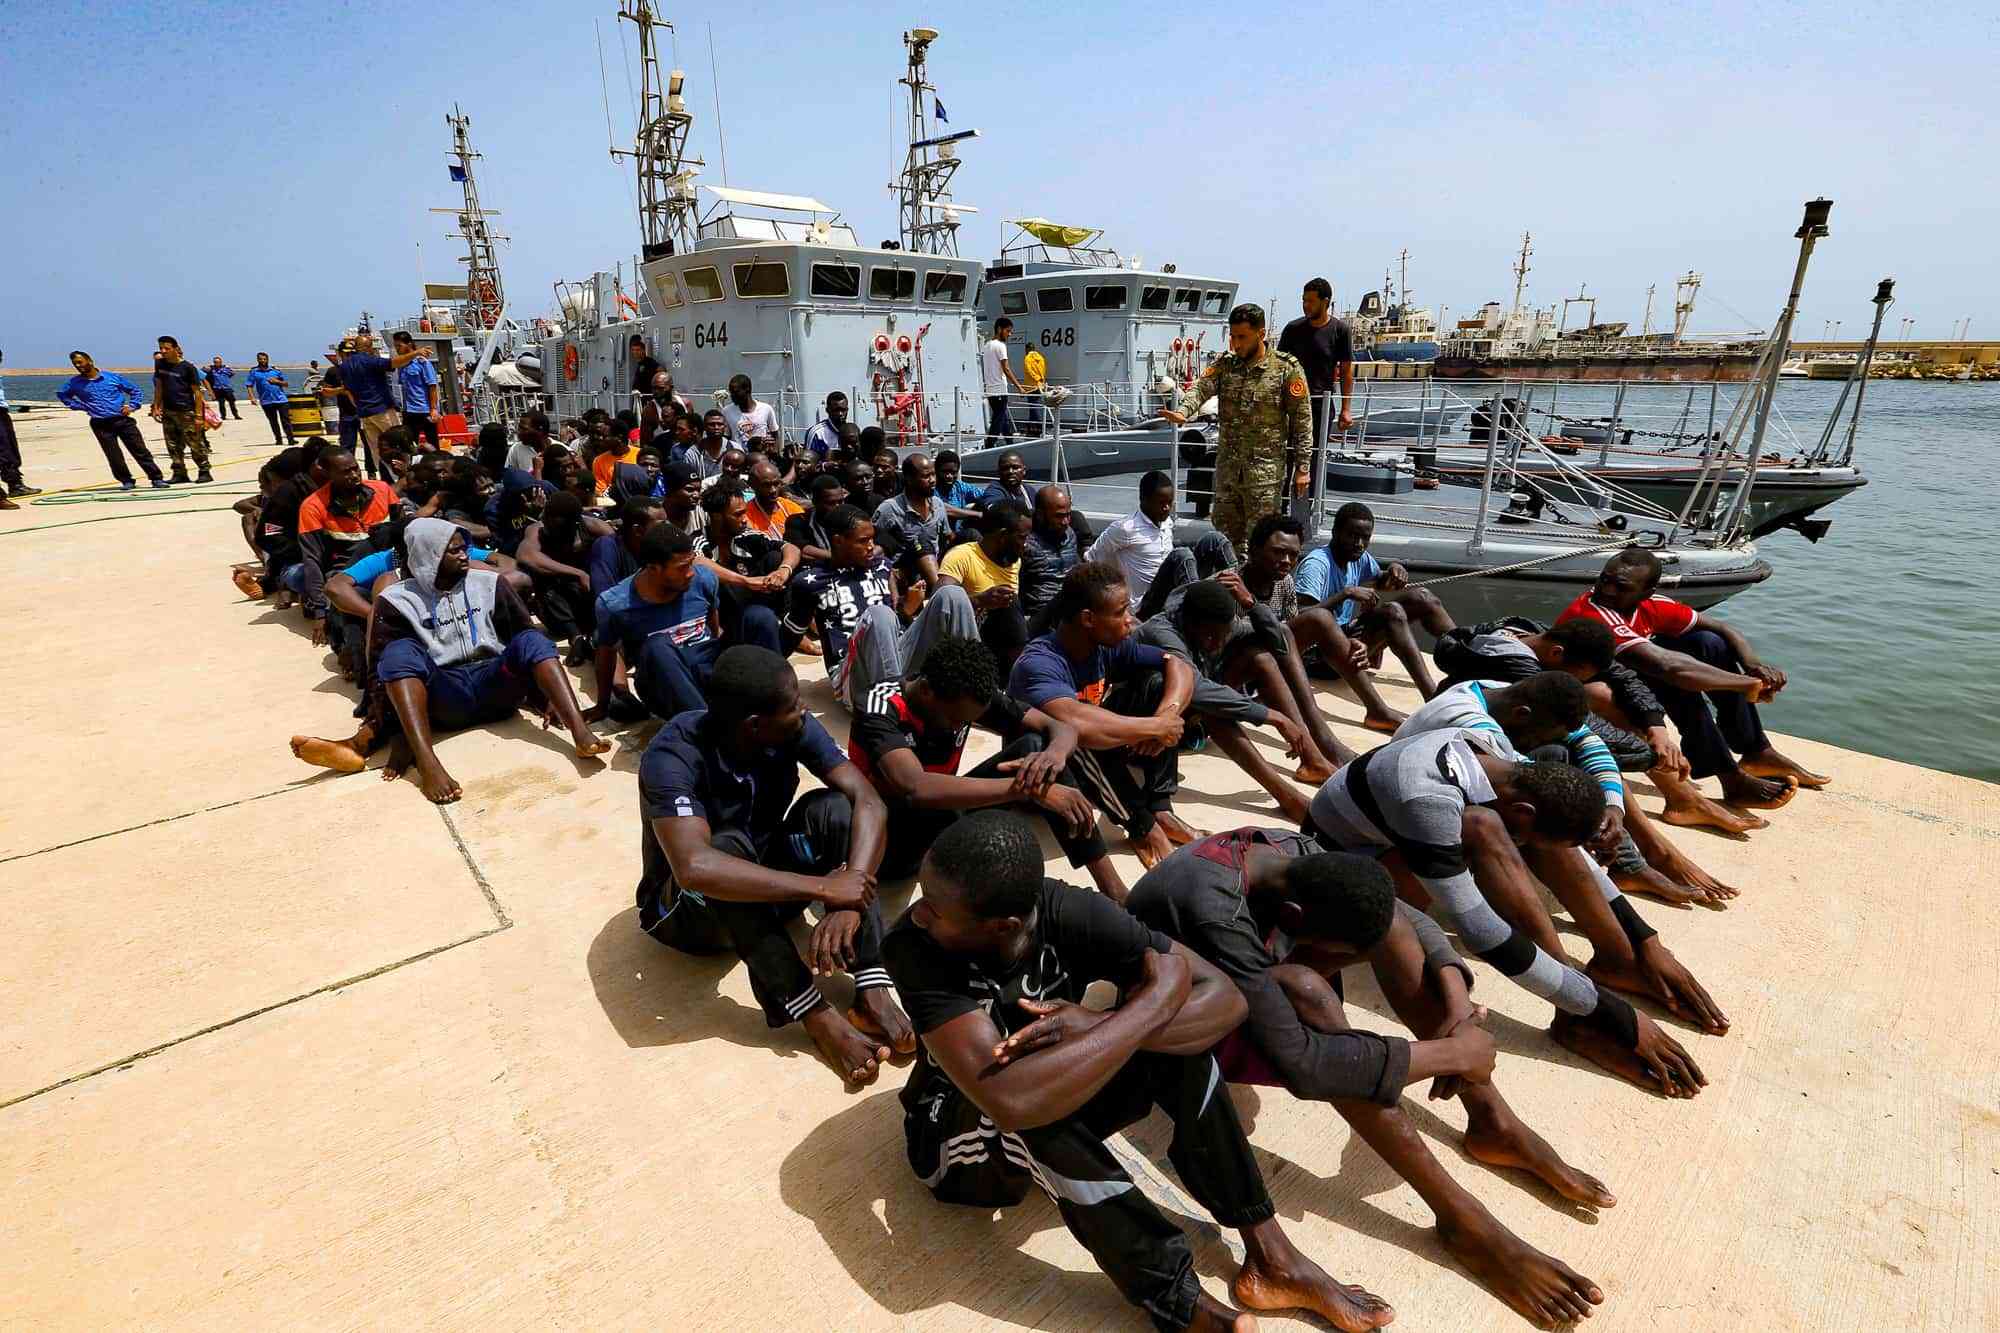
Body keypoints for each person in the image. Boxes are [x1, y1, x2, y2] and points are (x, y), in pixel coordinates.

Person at [884, 811, 1394, 1333]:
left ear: (1005, 925)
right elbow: (1010, 1101)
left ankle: (1272, 1257)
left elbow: (1226, 999)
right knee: (1036, 1117)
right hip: (956, 1142)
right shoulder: (914, 949)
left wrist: (1103, 1024)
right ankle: (1179, 1305)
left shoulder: (1061, 907)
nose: (918, 913)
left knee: (1184, 1056)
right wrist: (1150, 1007)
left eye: (935, 908)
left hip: (1052, 1087)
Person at [1127, 832, 1612, 1328]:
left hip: (1247, 963)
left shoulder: (1293, 856)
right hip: (1172, 1010)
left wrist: (1458, 1002)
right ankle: (1465, 1220)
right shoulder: (1214, 912)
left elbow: (1407, 915)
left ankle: (1491, 1119)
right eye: (1335, 951)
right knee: (1309, 994)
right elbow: (1304, 1066)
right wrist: (1445, 1052)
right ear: (1294, 920)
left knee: (1391, 926)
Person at [1308, 729, 1715, 1096]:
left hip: (1396, 842)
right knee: (1483, 826)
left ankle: (1606, 972)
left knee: (1491, 824)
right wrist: (1616, 1014)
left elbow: (1573, 856)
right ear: (1525, 814)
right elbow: (1485, 935)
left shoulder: (1501, 760)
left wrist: (1643, 938)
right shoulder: (1428, 800)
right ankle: (1578, 1011)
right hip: (1342, 883)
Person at [639, 644, 912, 1084]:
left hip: (768, 882)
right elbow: (694, 866)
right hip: (692, 914)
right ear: (754, 725)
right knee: (723, 850)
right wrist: (823, 889)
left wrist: (848, 898)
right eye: (795, 707)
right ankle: (813, 1011)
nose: (805, 713)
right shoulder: (673, 754)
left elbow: (868, 801)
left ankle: (871, 986)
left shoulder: (790, 727)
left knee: (832, 810)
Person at [290, 519, 608, 801]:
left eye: (464, 548)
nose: (464, 555)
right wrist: (394, 730)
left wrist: (544, 697)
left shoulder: (490, 584)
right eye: (453, 551)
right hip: (444, 696)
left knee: (533, 639)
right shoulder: (396, 600)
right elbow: (380, 672)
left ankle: (580, 733)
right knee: (397, 655)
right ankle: (428, 764)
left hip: (494, 686)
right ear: (428, 556)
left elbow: (521, 636)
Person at [1431, 615, 1741, 903]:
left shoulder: (1530, 632)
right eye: (1574, 675)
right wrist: (1650, 757)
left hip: (1512, 736)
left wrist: (1656, 729)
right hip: (1479, 754)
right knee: (1573, 758)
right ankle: (1641, 854)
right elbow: (1581, 730)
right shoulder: (1515, 671)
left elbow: (1620, 678)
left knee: (1602, 711)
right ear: (1555, 654)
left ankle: (1650, 837)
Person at [850, 635, 1127, 898]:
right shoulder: (880, 707)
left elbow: (1058, 727)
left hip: (944, 817)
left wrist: (1053, 756)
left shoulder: (966, 693)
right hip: (892, 842)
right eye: (956, 720)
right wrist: (1028, 790)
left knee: (1035, 747)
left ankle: (1112, 889)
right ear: (926, 692)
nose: (959, 726)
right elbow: (915, 787)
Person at [1558, 547, 1827, 811]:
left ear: (1647, 593)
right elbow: (1669, 667)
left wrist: (1753, 666)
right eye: (1604, 579)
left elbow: (1722, 628)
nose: (1607, 589)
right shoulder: (1596, 613)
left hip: (1626, 680)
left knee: (1708, 642)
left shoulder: (1652, 605)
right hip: (1583, 692)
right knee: (1672, 680)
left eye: (1621, 586)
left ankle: (1755, 749)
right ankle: (1729, 776)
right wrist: (1747, 684)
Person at [1009, 561, 1200, 870]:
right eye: (1120, 612)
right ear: (1088, 619)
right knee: (1077, 735)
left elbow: (1179, 665)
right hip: (1040, 780)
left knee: (1157, 685)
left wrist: (1167, 715)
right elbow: (1076, 725)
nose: (1130, 620)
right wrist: (1154, 727)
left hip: (1091, 758)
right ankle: (1143, 827)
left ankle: (1160, 807)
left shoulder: (1104, 645)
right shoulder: (1039, 663)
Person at [1138, 580, 1337, 813]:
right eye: (1211, 637)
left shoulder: (1222, 624)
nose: (1217, 644)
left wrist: (1252, 605)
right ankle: (1286, 796)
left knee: (1261, 659)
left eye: (1223, 636)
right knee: (1209, 703)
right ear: (1189, 622)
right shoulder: (1162, 631)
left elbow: (1281, 645)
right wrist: (1273, 717)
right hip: (1144, 729)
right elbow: (1197, 687)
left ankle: (1312, 758)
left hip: (1185, 721)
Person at [1162, 304, 1310, 557]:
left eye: (1242, 337)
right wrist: (1184, 411)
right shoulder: (1226, 365)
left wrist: (1302, 468)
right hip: (1228, 473)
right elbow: (1201, 388)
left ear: (1260, 334)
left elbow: (1302, 419)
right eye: (1232, 336)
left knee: (1263, 541)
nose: (1236, 344)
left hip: (1264, 476)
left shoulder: (1285, 368)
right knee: (1225, 539)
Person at [1293, 501, 1453, 723]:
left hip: (1347, 639)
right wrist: (1346, 594)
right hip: (1318, 656)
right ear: (1336, 532)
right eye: (1352, 536)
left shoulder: (1358, 557)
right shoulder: (1317, 564)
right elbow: (1301, 618)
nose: (1359, 544)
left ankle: (1468, 657)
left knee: (1422, 597)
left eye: (1365, 538)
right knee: (1392, 612)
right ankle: (1435, 701)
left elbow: (1381, 582)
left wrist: (1395, 571)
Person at [591, 524, 735, 721]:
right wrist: (602, 705)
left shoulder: (704, 579)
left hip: (706, 671)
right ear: (654, 568)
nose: (691, 572)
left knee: (757, 618)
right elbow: (607, 653)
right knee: (658, 645)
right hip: (663, 686)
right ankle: (705, 729)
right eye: (682, 568)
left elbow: (713, 628)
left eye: (691, 563)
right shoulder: (615, 604)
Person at [1087, 470, 1235, 618]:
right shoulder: (1125, 528)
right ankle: (1196, 616)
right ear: (1143, 499)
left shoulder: (1166, 522)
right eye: (1161, 503)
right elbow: (1091, 558)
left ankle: (1236, 600)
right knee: (1181, 555)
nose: (1167, 508)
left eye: (1169, 503)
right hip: (1147, 605)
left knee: (1214, 539)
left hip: (1173, 589)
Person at [297, 448, 398, 639]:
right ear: (327, 474)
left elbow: (402, 530)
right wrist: (320, 612)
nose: (354, 475)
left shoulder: (383, 490)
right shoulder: (312, 507)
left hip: (387, 565)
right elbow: (312, 560)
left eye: (355, 469)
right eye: (345, 472)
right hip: (347, 573)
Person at [697, 484, 797, 648]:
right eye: (738, 514)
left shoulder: (746, 536)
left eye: (745, 512)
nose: (745, 519)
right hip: (724, 624)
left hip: (756, 613)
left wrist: (783, 571)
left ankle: (786, 622)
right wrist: (746, 581)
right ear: (717, 517)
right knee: (708, 578)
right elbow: (697, 562)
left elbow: (790, 548)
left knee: (776, 558)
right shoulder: (699, 540)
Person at [514, 490, 611, 659]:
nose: (547, 523)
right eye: (546, 518)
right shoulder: (537, 530)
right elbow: (526, 555)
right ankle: (576, 639)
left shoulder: (594, 528)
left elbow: (619, 552)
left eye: (555, 524)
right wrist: (578, 573)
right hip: (557, 607)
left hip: (592, 598)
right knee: (540, 579)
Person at [938, 499, 1031, 668]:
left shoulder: (1014, 560)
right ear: (1003, 537)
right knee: (1008, 604)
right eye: (1022, 538)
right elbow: (940, 604)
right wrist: (979, 601)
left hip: (1005, 643)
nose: (1027, 544)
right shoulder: (961, 556)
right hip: (968, 642)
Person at [58, 351, 168, 490]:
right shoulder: (75, 383)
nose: (78, 365)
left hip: (122, 420)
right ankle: (126, 480)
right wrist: (79, 406)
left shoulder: (111, 377)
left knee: (140, 450)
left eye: (80, 362)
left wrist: (132, 406)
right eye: (75, 364)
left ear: (90, 361)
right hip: (100, 423)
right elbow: (63, 395)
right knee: (113, 455)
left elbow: (135, 390)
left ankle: (156, 478)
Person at [1277, 277, 1355, 446]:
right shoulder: (1292, 329)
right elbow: (1277, 367)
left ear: (1325, 302)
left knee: (1314, 459)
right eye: (1304, 300)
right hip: (1292, 402)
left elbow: (1346, 371)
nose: (1306, 305)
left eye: (1311, 301)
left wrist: (1346, 409)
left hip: (1321, 404)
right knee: (1289, 456)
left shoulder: (1341, 331)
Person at [335, 333, 424, 471]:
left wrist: (359, 407)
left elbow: (348, 391)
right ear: (368, 347)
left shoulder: (344, 366)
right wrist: (416, 353)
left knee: (377, 450)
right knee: (399, 443)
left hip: (364, 413)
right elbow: (393, 362)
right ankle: (407, 473)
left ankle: (384, 477)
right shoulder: (370, 360)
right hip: (382, 410)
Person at [1019, 483, 1090, 627]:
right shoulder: (1025, 543)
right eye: (1059, 516)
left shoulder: (1069, 533)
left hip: (1071, 608)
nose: (1065, 522)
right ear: (1040, 514)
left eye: (1068, 515)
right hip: (1041, 614)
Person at [150, 336, 213, 484]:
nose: (163, 351)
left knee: (195, 442)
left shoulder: (188, 367)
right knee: (172, 444)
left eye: (166, 348)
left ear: (176, 349)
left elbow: (197, 392)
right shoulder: (160, 364)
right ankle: (179, 473)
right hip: (169, 411)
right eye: (161, 348)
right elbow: (159, 387)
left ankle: (204, 471)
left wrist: (198, 415)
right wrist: (156, 407)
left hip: (187, 411)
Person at [783, 472, 848, 566]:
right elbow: (802, 549)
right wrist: (842, 557)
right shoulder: (798, 521)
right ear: (815, 502)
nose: (838, 507)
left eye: (840, 501)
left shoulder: (850, 518)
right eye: (831, 503)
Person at [391, 332, 441, 448]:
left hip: (424, 410)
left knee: (432, 443)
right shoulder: (402, 364)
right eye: (396, 346)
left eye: (399, 346)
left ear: (409, 344)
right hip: (409, 411)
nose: (397, 349)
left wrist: (433, 409)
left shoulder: (422, 363)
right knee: (409, 444)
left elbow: (432, 386)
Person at [981, 317, 1024, 447]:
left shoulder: (987, 345)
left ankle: (1009, 443)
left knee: (1002, 417)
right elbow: (1006, 368)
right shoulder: (1000, 346)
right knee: (998, 420)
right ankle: (989, 445)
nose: (1009, 334)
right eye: (1008, 331)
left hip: (990, 390)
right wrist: (1019, 387)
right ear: (1000, 329)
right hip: (999, 389)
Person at [0, 350, 36, 502]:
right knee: (5, 450)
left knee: (10, 447)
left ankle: (15, 484)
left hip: (2, 411)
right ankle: (14, 484)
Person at [744, 459, 804, 538]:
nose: (773, 490)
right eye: (766, 485)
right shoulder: (746, 514)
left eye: (776, 484)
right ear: (753, 485)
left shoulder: (791, 508)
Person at [245, 352, 295, 446]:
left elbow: (286, 384)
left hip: (281, 400)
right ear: (257, 360)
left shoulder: (275, 371)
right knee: (273, 421)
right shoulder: (254, 372)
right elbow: (249, 385)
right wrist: (252, 397)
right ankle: (278, 439)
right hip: (266, 401)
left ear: (267, 359)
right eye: (260, 359)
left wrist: (277, 381)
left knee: (286, 421)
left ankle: (290, 439)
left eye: (264, 359)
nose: (262, 361)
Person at [721, 373, 778, 446]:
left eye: (736, 392)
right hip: (738, 455)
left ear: (747, 389)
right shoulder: (727, 411)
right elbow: (726, 438)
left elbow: (775, 434)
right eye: (731, 392)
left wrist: (776, 453)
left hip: (760, 455)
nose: (732, 396)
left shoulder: (766, 409)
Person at [801, 391, 850, 458]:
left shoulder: (852, 432)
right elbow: (807, 460)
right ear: (827, 410)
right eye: (836, 410)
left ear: (847, 410)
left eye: (843, 410)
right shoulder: (817, 433)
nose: (840, 414)